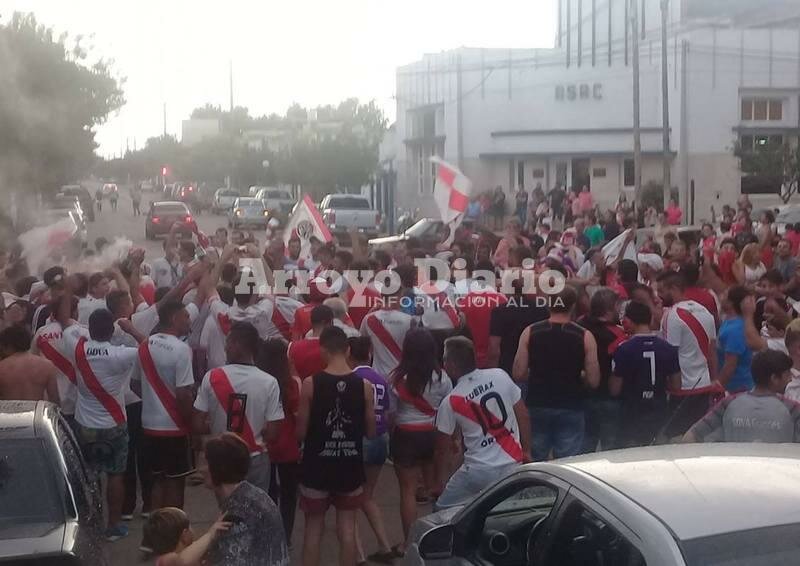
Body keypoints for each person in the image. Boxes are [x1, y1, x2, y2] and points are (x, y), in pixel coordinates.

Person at [296, 326, 376, 566]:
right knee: (348, 529)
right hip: (349, 464)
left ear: (323, 350)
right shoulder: (364, 386)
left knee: (313, 529)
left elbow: (300, 432)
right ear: (348, 349)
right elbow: (371, 431)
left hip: (316, 465)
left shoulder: (310, 384)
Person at [64, 308, 140, 541]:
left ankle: (91, 524)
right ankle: (113, 526)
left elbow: (67, 325)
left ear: (91, 328)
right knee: (116, 475)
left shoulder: (76, 347)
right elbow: (149, 348)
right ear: (112, 330)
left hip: (84, 423)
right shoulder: (121, 354)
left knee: (89, 475)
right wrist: (131, 329)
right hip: (114, 423)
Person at [434, 336, 531, 508]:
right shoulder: (500, 375)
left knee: (441, 510)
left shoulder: (451, 401)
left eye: (444, 360)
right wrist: (527, 451)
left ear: (452, 366)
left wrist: (440, 482)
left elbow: (442, 449)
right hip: (513, 463)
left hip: (478, 470)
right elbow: (523, 415)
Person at [193, 322, 285, 494]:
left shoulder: (211, 377)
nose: (226, 348)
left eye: (228, 343)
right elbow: (273, 433)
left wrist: (216, 425)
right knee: (256, 510)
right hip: (255, 456)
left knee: (227, 512)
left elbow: (197, 424)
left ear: (237, 345)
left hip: (222, 457)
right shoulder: (269, 382)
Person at [512, 285, 601, 460]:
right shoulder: (584, 336)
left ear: (548, 304)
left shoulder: (530, 332)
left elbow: (518, 373)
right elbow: (594, 380)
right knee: (567, 462)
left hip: (538, 402)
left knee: (536, 462)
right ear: (573, 306)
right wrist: (580, 375)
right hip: (571, 404)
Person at [388, 328, 452, 550]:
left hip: (405, 436)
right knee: (435, 488)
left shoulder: (397, 378)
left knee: (407, 491)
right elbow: (448, 409)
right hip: (433, 434)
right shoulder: (443, 377)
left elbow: (392, 414)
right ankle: (438, 538)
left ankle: (409, 543)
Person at [133, 299, 196, 511]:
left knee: (157, 480)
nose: (189, 320)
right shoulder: (182, 349)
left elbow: (134, 384)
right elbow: (183, 393)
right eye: (186, 316)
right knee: (176, 481)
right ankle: (175, 532)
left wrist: (152, 401)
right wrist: (192, 423)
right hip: (174, 428)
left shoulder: (144, 345)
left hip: (148, 425)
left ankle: (156, 532)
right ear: (173, 318)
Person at [348, 336, 399, 564]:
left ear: (349, 353)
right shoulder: (380, 379)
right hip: (380, 438)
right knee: (368, 496)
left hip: (359, 438)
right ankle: (384, 545)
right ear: (369, 353)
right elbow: (388, 414)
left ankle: (358, 556)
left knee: (349, 500)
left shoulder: (351, 378)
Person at [203, 433, 290, 566]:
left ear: (218, 467)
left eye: (206, 463)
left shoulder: (238, 512)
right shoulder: (250, 495)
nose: (201, 469)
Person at [684, 349, 800, 443]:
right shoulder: (792, 409)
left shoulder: (729, 403)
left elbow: (691, 437)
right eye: (787, 374)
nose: (790, 379)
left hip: (735, 470)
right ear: (774, 378)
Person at [657, 271, 719, 438]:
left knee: (676, 437)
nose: (659, 296)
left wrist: (672, 387)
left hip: (683, 387)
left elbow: (670, 354)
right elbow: (711, 349)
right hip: (704, 384)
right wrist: (713, 380)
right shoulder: (705, 312)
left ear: (674, 288)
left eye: (662, 291)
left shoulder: (672, 315)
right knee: (698, 436)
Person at [610, 301, 681, 447]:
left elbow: (615, 389)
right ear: (650, 319)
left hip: (631, 411)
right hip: (659, 410)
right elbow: (676, 385)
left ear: (629, 321)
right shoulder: (668, 348)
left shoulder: (624, 349)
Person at [258, 338, 301, 542]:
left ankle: (268, 532)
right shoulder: (290, 384)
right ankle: (286, 534)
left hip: (265, 442)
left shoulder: (260, 382)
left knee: (268, 492)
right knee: (289, 494)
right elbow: (296, 409)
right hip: (288, 445)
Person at [579, 288, 626, 453]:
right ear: (608, 310)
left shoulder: (578, 328)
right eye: (616, 307)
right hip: (608, 397)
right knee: (610, 450)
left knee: (584, 448)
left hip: (581, 395)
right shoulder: (618, 335)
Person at [359, 266, 415, 377]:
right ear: (398, 296)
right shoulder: (409, 321)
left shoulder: (369, 319)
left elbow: (363, 346)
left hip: (377, 375)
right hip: (401, 377)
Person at [144, 508, 231, 566]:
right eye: (190, 526)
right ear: (184, 535)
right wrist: (210, 534)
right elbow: (183, 560)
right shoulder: (166, 559)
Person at [0, 325, 59, 403]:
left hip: (9, 414)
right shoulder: (47, 366)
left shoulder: (2, 367)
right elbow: (54, 400)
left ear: (9, 345)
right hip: (35, 413)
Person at [717, 286, 755, 393]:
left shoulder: (735, 330)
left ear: (730, 303)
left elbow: (730, 365)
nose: (721, 297)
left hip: (737, 388)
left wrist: (718, 387)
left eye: (725, 295)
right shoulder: (729, 322)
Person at [288, 304, 333, 380]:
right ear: (328, 323)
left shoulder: (292, 347)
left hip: (302, 390)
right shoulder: (334, 347)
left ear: (310, 321)